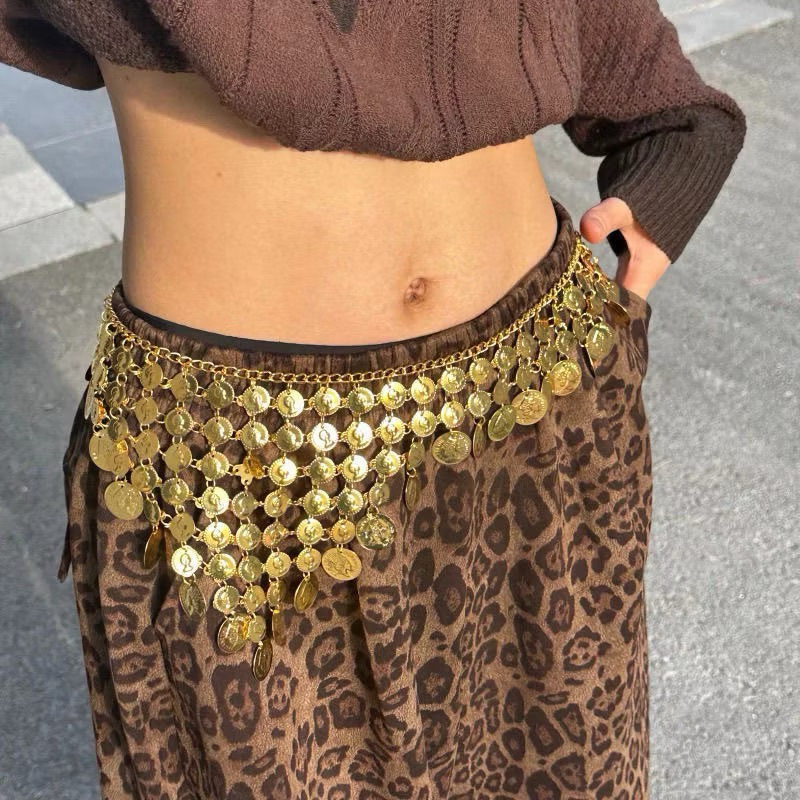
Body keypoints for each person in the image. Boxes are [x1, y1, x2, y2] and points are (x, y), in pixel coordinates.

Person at [1, 2, 746, 798]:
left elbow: (612, 42)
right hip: (232, 471)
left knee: (565, 767)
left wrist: (675, 146)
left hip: (533, 401)